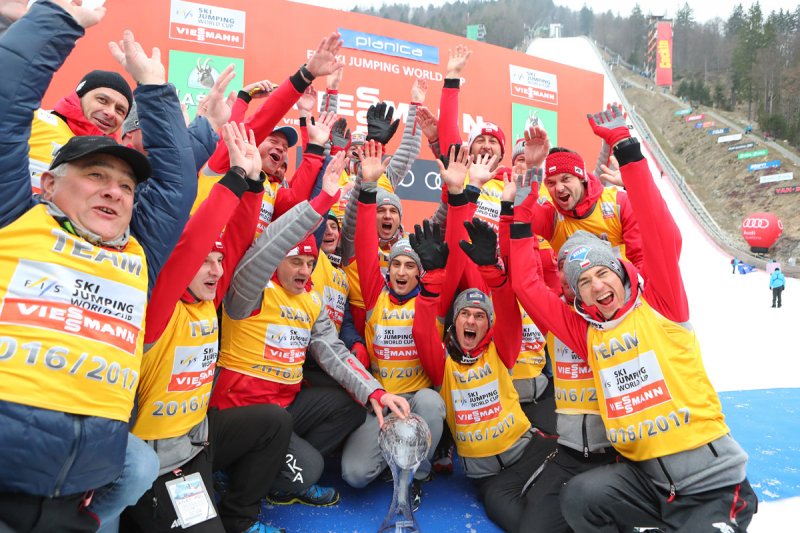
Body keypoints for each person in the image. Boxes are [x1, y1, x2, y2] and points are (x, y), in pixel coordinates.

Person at [509, 105, 756, 531]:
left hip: (709, 484)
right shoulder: (586, 331)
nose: (596, 286)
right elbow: (527, 285)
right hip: (646, 485)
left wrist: (625, 146)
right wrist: (521, 199)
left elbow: (659, 235)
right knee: (580, 497)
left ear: (622, 273)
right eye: (584, 282)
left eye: (603, 273)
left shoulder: (661, 304)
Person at [0, 3, 199, 531]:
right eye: (95, 176)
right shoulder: (15, 219)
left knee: (139, 466)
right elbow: (4, 110)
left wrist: (154, 88)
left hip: (77, 496)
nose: (114, 190)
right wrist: (56, 20)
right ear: (48, 184)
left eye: (127, 186)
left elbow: (178, 184)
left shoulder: (137, 254)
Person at [208, 152, 411, 507]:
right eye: (295, 262)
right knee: (310, 469)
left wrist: (375, 392)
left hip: (282, 410)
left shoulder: (310, 299)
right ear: (277, 262)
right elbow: (267, 246)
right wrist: (322, 201)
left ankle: (269, 470)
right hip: (240, 412)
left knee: (349, 407)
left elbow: (334, 353)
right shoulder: (249, 290)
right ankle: (242, 485)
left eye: (310, 262)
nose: (304, 270)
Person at [339, 140, 446, 509]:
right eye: (396, 264)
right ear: (388, 270)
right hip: (382, 401)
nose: (401, 271)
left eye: (410, 266)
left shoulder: (431, 300)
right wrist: (368, 186)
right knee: (354, 475)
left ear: (419, 273)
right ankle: (394, 454)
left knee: (432, 401)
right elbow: (364, 242)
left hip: (417, 401)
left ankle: (417, 472)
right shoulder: (375, 293)